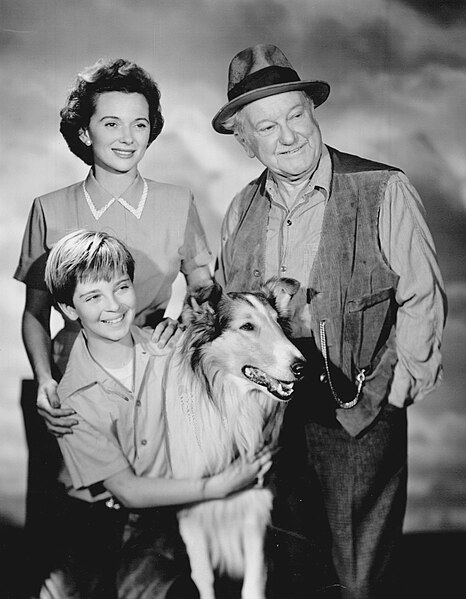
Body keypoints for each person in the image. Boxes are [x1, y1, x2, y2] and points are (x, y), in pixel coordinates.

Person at [212, 44, 446, 599]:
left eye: (296, 115)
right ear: (245, 141)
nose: (288, 136)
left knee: (358, 580)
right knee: (287, 574)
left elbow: (424, 295)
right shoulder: (238, 211)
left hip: (357, 414)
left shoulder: (383, 188)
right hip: (271, 425)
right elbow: (225, 319)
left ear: (314, 113)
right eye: (267, 127)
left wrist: (392, 398)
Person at [14, 58, 213, 596]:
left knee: (148, 537)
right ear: (84, 130)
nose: (128, 137)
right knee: (65, 544)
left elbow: (203, 290)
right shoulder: (49, 209)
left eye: (141, 123)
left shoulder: (178, 202)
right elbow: (35, 315)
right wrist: (45, 382)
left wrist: (183, 321)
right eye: (111, 123)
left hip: (149, 377)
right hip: (65, 380)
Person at [41, 229, 272, 599]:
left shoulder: (171, 346)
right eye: (93, 297)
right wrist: (219, 486)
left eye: (121, 287)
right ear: (69, 310)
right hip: (95, 522)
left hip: (160, 520)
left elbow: (227, 364)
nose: (113, 305)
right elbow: (128, 491)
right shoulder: (73, 399)